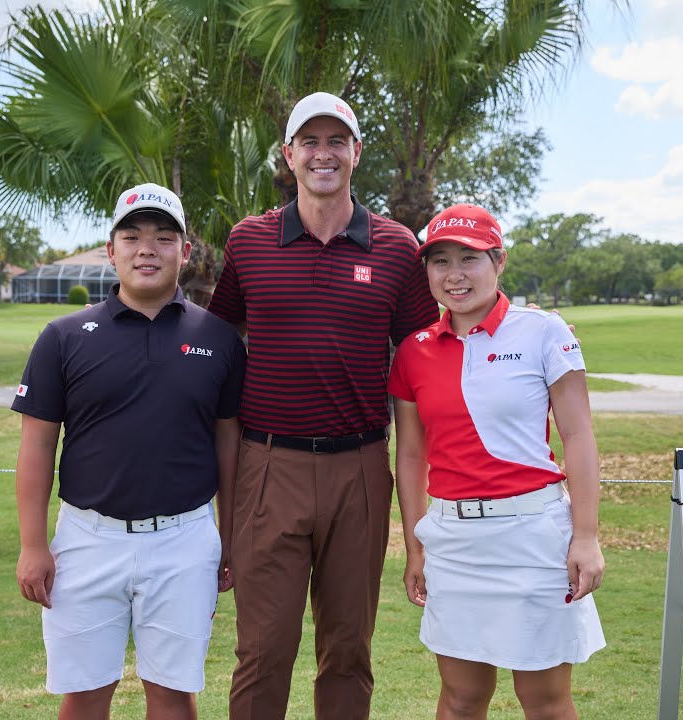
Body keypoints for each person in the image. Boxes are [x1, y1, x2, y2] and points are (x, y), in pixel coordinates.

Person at [207, 92, 441, 719]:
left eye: (336, 141)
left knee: (347, 651)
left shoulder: (395, 247)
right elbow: (213, 339)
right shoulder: (249, 242)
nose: (323, 153)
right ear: (289, 155)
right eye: (309, 142)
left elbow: (426, 353)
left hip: (360, 470)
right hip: (268, 467)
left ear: (356, 153)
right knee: (262, 651)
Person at [12, 182, 247, 720]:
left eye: (165, 238)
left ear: (185, 253)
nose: (148, 249)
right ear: (111, 248)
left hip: (185, 541)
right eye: (132, 236)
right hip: (87, 539)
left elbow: (229, 443)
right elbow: (38, 445)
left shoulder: (217, 337)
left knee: (171, 694)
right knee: (87, 693)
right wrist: (32, 545)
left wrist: (228, 537)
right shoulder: (65, 336)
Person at [387, 203, 605, 720]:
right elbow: (412, 455)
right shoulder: (414, 351)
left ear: (499, 261)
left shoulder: (545, 331)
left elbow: (578, 436)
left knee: (545, 701)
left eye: (470, 258)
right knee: (461, 700)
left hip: (534, 536)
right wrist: (415, 546)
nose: (454, 275)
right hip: (454, 542)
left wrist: (587, 535)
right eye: (440, 261)